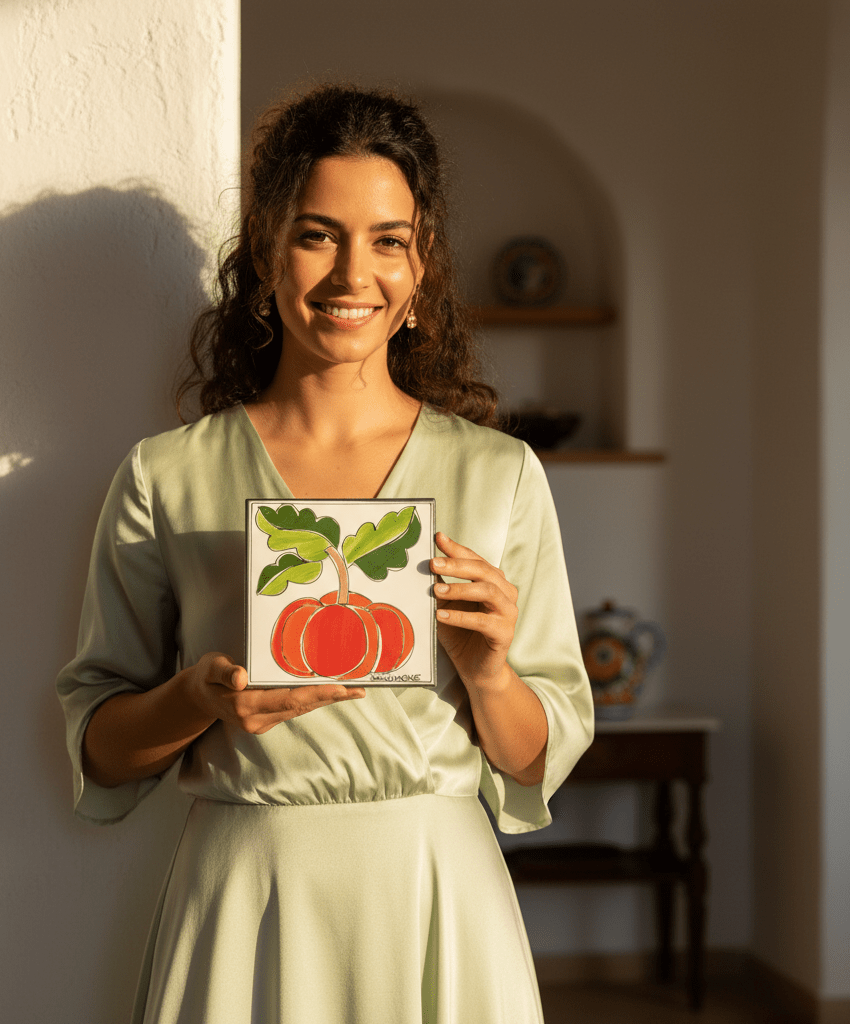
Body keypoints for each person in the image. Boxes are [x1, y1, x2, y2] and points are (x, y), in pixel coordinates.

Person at [57, 83, 593, 1024]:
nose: (354, 273)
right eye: (318, 234)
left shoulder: (499, 473)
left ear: (420, 265)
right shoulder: (165, 477)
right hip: (245, 894)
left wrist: (493, 671)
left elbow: (536, 756)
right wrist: (199, 697)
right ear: (266, 249)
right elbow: (101, 752)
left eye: (388, 239)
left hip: (437, 894)